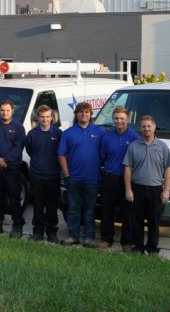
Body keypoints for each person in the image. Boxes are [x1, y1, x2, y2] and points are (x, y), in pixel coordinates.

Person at [58, 102, 105, 247]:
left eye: (86, 112)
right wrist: (67, 175)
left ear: (91, 114)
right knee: (73, 209)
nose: (83, 114)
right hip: (74, 179)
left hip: (92, 179)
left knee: (90, 211)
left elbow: (105, 153)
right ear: (76, 114)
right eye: (80, 112)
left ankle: (88, 238)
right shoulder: (68, 133)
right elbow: (61, 154)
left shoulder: (100, 132)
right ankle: (73, 236)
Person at [124, 115, 170, 256]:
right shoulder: (133, 146)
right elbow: (127, 168)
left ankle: (152, 248)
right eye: (143, 126)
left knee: (153, 222)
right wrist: (128, 189)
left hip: (156, 189)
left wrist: (166, 190)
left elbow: (167, 169)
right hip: (137, 188)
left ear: (154, 127)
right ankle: (138, 247)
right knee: (136, 220)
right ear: (140, 128)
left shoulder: (163, 147)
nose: (146, 129)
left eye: (149, 126)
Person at [99, 106, 140, 250]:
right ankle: (106, 239)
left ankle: (127, 242)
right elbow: (102, 157)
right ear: (113, 119)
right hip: (109, 178)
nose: (119, 121)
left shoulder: (135, 137)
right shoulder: (107, 137)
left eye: (122, 118)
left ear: (127, 119)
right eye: (116, 118)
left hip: (127, 181)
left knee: (128, 212)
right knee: (106, 210)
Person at [0, 100, 26, 237]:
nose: (5, 112)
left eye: (8, 110)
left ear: (12, 111)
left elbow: (18, 147)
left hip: (12, 169)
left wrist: (5, 160)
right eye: (2, 110)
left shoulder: (19, 128)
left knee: (14, 199)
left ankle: (17, 226)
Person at [24, 105, 63, 242]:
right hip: (37, 176)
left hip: (53, 176)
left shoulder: (58, 134)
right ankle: (38, 231)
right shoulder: (32, 134)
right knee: (38, 205)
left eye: (47, 117)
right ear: (38, 117)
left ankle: (52, 232)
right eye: (42, 117)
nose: (45, 119)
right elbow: (29, 150)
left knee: (52, 205)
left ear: (52, 117)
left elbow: (61, 154)